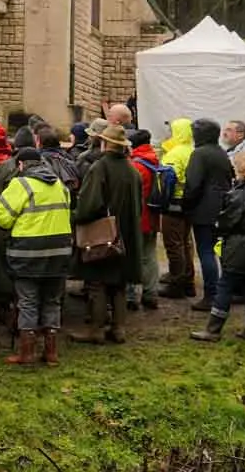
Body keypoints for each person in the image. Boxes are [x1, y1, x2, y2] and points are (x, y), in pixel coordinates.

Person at [0, 147, 73, 365]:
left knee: (28, 301)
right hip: (59, 251)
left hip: (27, 252)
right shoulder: (60, 185)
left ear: (21, 165)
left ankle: (26, 353)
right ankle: (51, 353)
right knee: (52, 300)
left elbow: (2, 218)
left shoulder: (20, 184)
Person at [191, 150, 245, 343]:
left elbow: (229, 221)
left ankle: (213, 329)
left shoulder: (238, 194)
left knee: (225, 285)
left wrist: (218, 228)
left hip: (240, 243)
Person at [69, 126, 143, 345]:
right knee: (119, 283)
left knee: (97, 283)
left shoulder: (100, 168)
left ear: (104, 143)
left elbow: (90, 205)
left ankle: (96, 329)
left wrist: (74, 216)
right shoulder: (132, 170)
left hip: (102, 235)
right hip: (126, 233)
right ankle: (119, 328)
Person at [182, 118, 234, 312]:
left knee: (206, 251)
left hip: (204, 209)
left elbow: (193, 184)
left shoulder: (200, 154)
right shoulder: (221, 152)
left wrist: (187, 205)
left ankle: (211, 295)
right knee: (219, 251)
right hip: (222, 208)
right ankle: (224, 292)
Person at [126, 130, 164, 311]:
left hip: (138, 218)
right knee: (150, 256)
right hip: (153, 216)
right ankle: (151, 293)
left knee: (133, 257)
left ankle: (131, 296)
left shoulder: (136, 165)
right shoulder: (154, 160)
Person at [158, 118, 195, 298]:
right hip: (189, 204)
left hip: (173, 204)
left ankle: (176, 283)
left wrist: (161, 201)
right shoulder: (192, 151)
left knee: (173, 244)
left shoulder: (174, 154)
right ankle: (188, 279)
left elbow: (168, 181)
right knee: (186, 243)